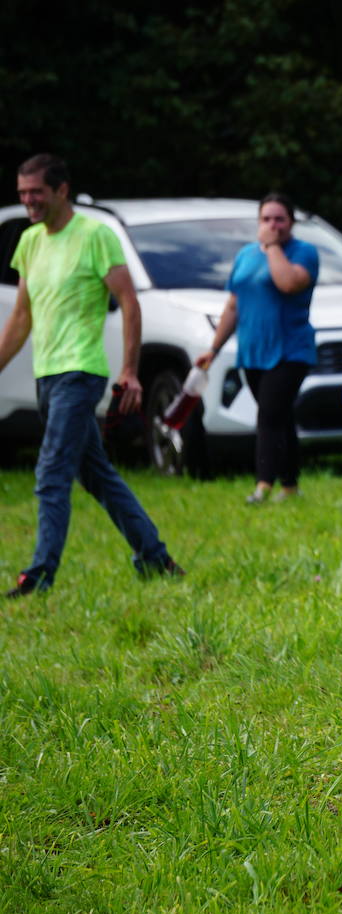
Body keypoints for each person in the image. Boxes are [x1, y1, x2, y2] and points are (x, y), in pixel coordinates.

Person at [0, 154, 183, 597]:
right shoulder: (29, 242)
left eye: (36, 192)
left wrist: (130, 371)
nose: (28, 201)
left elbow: (130, 303)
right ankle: (155, 558)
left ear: (61, 190)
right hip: (47, 375)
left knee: (50, 472)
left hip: (80, 372)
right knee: (97, 476)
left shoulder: (95, 236)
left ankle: (40, 574)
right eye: (22, 193)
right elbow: (21, 316)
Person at [196, 192, 319, 504]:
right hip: (252, 351)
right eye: (266, 219)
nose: (273, 225)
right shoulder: (246, 254)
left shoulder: (304, 253)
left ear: (291, 222)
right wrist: (213, 348)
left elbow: (288, 283)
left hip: (290, 351)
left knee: (268, 415)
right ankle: (290, 488)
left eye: (280, 219)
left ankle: (262, 486)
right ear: (258, 222)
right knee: (281, 418)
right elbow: (234, 306)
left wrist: (274, 247)